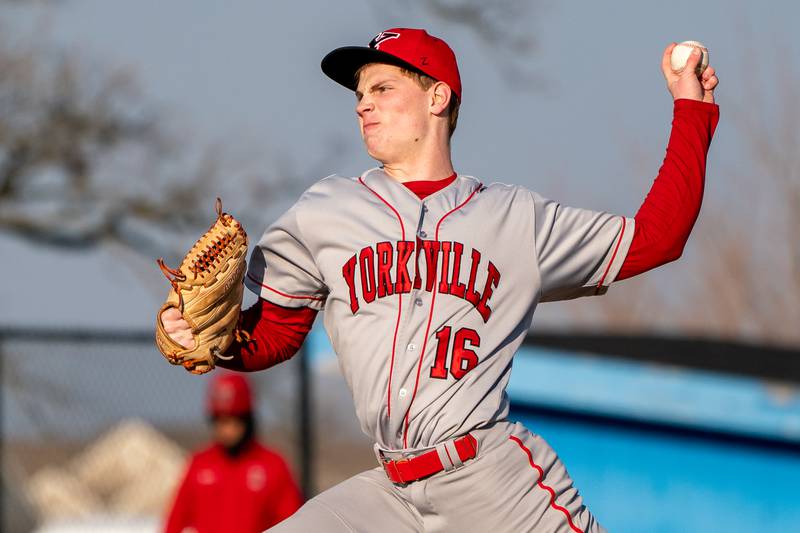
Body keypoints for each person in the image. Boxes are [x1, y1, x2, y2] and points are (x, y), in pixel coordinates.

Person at [161, 27, 719, 532]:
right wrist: (219, 341)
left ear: (438, 97)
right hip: (392, 489)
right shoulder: (325, 212)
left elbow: (657, 237)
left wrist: (691, 109)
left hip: (491, 482)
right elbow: (277, 332)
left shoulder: (514, 220)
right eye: (359, 94)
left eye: (382, 88)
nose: (363, 105)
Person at [163, 373, 303, 533]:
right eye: (221, 421)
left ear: (247, 420)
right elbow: (175, 521)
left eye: (234, 420)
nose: (227, 430)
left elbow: (292, 522)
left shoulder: (273, 465)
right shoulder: (199, 464)